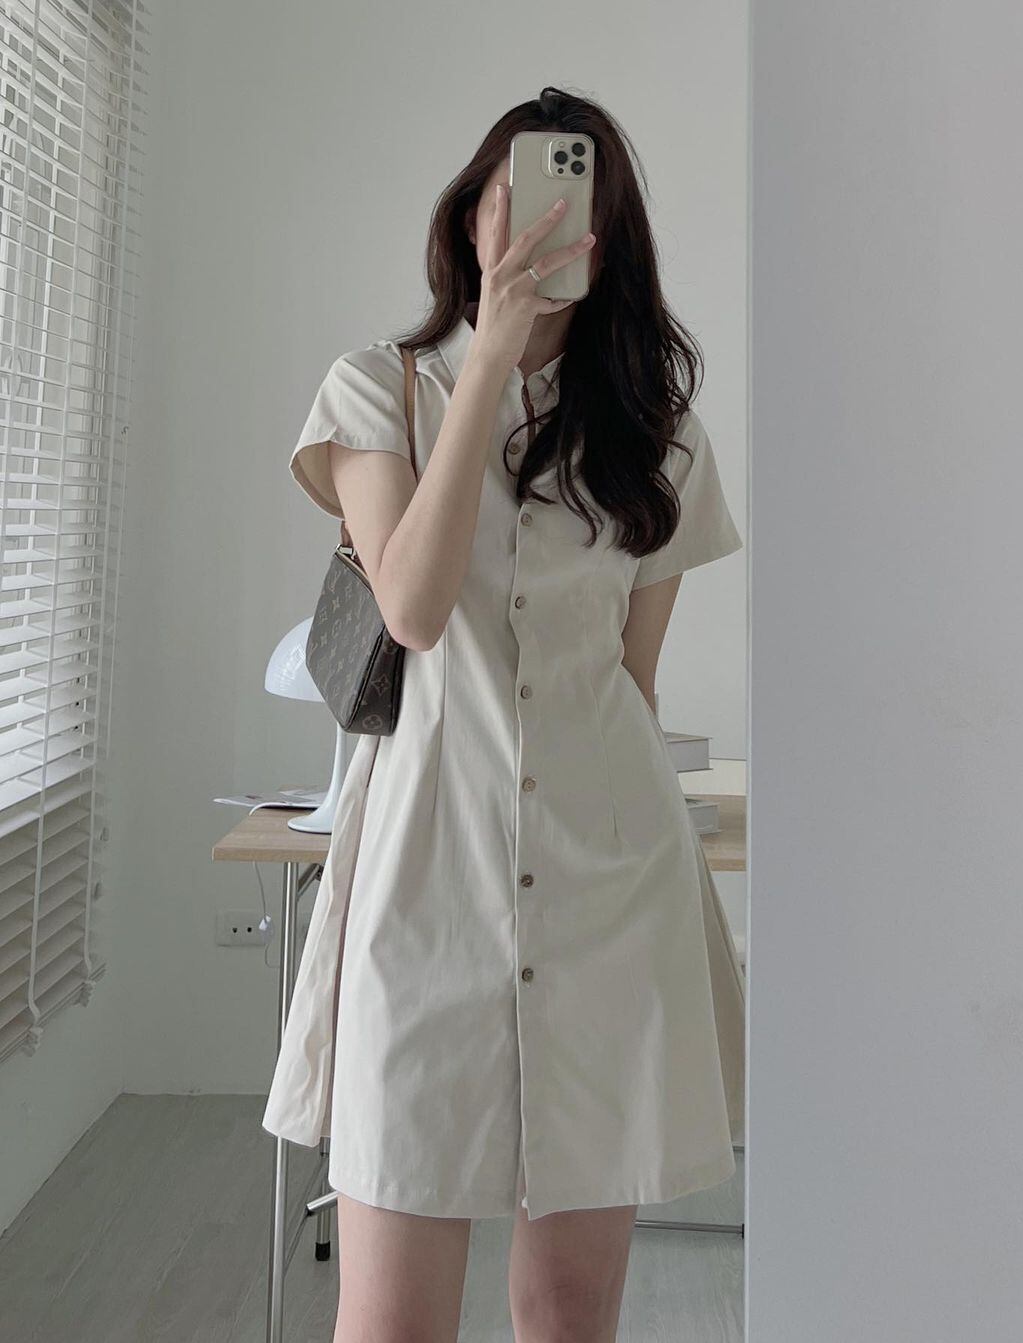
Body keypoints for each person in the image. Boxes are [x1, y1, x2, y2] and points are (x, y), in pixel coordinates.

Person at [262, 86, 745, 1343]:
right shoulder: (377, 391)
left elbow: (630, 685)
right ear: (469, 217)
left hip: (609, 892)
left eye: (564, 199)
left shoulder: (659, 436)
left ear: (605, 238)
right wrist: (486, 361)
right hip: (425, 889)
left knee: (571, 1311)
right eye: (504, 193)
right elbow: (414, 609)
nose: (528, 221)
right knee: (390, 1319)